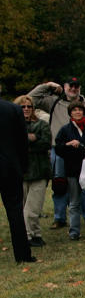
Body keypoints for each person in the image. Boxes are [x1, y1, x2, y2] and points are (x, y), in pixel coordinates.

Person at [27, 77, 85, 229]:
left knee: (84, 183)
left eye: (76, 86)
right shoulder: (53, 102)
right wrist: (48, 86)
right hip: (58, 150)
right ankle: (59, 218)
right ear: (64, 87)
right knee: (59, 184)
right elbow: (30, 99)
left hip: (82, 152)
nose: (73, 89)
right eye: (70, 86)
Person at [55, 101, 85, 240]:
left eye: (80, 110)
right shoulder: (65, 130)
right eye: (74, 110)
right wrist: (68, 144)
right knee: (74, 202)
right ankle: (74, 231)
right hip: (73, 170)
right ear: (70, 113)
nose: (77, 112)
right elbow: (58, 148)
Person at [0, 94, 34, 263]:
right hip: (10, 166)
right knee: (15, 211)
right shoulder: (12, 109)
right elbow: (22, 141)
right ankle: (22, 255)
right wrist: (23, 166)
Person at [14, 96, 51, 247]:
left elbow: (46, 143)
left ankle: (29, 235)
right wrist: (30, 139)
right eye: (23, 107)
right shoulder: (12, 126)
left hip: (39, 172)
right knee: (23, 208)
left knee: (32, 208)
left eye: (29, 106)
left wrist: (28, 142)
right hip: (20, 173)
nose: (26, 109)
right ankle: (34, 235)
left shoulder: (41, 125)